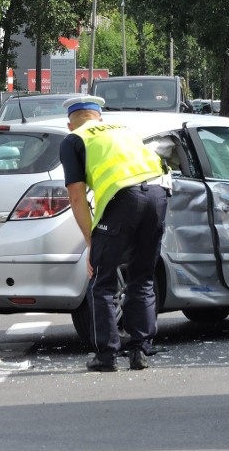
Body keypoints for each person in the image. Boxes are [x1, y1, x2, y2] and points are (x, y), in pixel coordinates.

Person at [59, 95, 170, 372]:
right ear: (99, 118)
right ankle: (140, 350)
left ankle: (106, 355)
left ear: (70, 124)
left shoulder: (74, 140)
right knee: (142, 276)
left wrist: (90, 241)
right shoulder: (124, 131)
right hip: (158, 195)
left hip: (124, 199)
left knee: (102, 280)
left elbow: (76, 196)